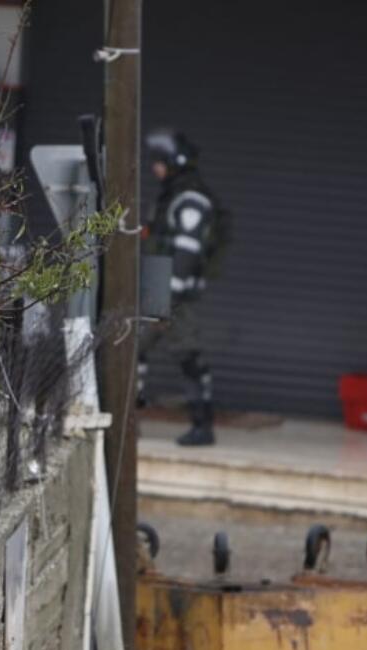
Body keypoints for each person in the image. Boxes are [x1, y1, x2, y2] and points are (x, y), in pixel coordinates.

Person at [139, 128, 229, 446]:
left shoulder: (190, 199)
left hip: (172, 294)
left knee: (188, 355)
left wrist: (169, 296)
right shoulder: (171, 196)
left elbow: (187, 252)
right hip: (157, 286)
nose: (155, 168)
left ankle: (202, 425)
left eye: (160, 162)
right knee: (131, 350)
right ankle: (125, 418)